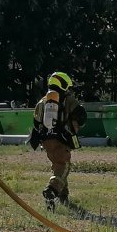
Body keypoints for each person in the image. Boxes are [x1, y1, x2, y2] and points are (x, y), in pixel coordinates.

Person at [30, 71, 87, 205]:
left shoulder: (42, 101)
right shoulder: (68, 99)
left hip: (46, 142)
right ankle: (51, 190)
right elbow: (81, 116)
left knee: (58, 166)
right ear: (64, 84)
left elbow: (36, 123)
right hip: (61, 139)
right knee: (64, 166)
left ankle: (63, 196)